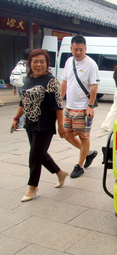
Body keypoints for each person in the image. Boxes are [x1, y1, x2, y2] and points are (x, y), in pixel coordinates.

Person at [10, 49, 69, 202]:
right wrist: (17, 117)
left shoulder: (51, 81)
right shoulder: (28, 79)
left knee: (34, 156)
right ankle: (60, 172)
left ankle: (32, 187)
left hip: (45, 125)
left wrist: (61, 126)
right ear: (30, 63)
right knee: (40, 154)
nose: (38, 64)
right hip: (30, 123)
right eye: (35, 61)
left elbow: (58, 105)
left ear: (47, 64)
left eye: (42, 61)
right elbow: (24, 102)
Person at [61, 35, 100, 178]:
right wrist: (60, 100)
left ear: (85, 49)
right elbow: (65, 82)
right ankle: (89, 152)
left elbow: (94, 86)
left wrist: (90, 105)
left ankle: (79, 165)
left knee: (84, 137)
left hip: (83, 108)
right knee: (66, 134)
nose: (78, 52)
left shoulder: (91, 64)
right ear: (71, 48)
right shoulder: (68, 62)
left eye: (81, 50)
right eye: (75, 49)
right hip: (69, 106)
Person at [10, 49, 31, 130]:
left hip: (18, 86)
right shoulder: (29, 65)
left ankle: (21, 123)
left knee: (22, 104)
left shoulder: (19, 63)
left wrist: (14, 88)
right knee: (24, 105)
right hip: (26, 86)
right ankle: (22, 124)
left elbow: (16, 76)